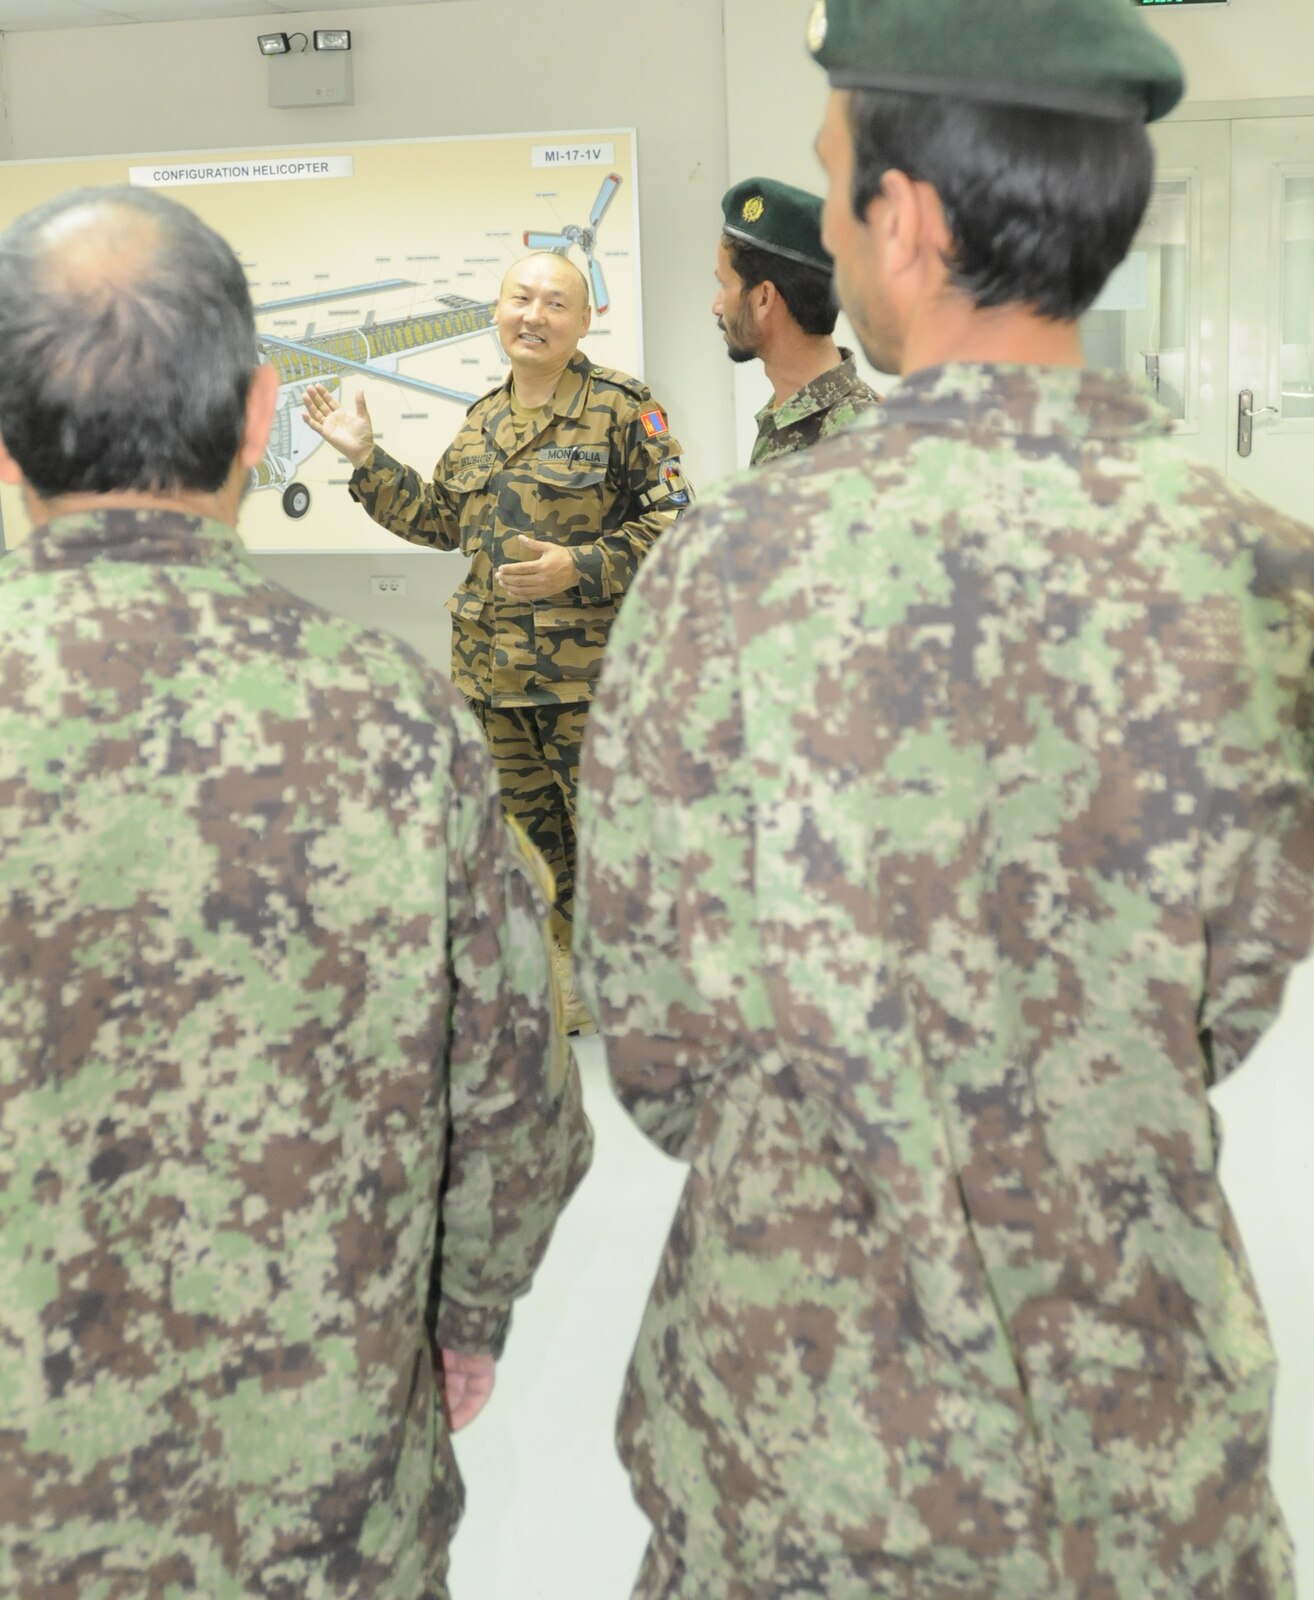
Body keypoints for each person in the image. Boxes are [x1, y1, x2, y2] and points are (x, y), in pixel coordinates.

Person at [575, 0, 1314, 1599]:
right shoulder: (1274, 581)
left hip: (800, 1417)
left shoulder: (724, 573)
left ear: (905, 225)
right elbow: (1230, 995)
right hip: (1131, 1417)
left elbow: (653, 1035)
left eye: (840, 194)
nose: (835, 228)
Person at [0, 186, 591, 1600]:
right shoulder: (392, 722)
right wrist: (465, 1315)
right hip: (319, 1496)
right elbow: (520, 1095)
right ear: (262, 418)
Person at [303, 252, 691, 1037]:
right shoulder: (482, 418)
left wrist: (575, 568)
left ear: (585, 322)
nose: (534, 315)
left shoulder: (623, 408)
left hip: (591, 682)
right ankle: (565, 980)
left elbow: (675, 520)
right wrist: (366, 460)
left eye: (555, 303)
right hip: (494, 682)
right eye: (521, 298)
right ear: (497, 311)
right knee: (531, 850)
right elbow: (443, 520)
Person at [712, 174, 878, 465]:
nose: (716, 306)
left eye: (725, 286)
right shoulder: (786, 413)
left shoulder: (859, 439)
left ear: (764, 298)